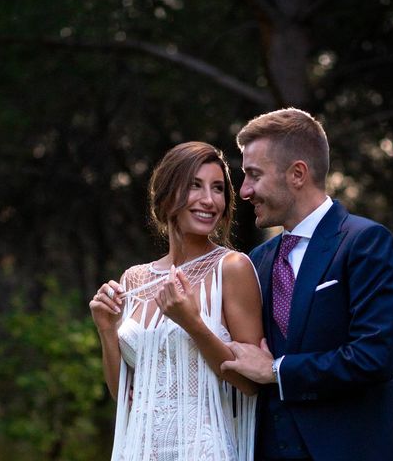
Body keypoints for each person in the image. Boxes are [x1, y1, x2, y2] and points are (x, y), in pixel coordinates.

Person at [220, 108, 393, 461]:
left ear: (297, 174)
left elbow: (374, 357)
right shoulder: (258, 261)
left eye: (253, 175)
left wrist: (276, 370)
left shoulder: (364, 242)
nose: (245, 191)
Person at [90, 141, 263, 461]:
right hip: (138, 450)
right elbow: (124, 394)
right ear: (167, 194)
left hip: (203, 450)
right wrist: (106, 331)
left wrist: (194, 324)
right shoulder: (134, 279)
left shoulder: (232, 269)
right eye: (195, 186)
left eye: (218, 189)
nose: (209, 200)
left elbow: (249, 384)